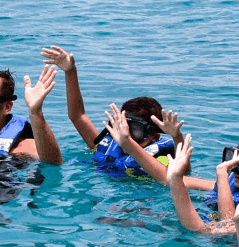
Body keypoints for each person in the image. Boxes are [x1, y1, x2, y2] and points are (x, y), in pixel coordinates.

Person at [40, 45, 187, 179]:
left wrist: (177, 137)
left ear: (154, 136)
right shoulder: (108, 145)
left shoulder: (161, 159)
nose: (126, 135)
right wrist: (70, 71)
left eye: (134, 131)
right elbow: (77, 116)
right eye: (122, 126)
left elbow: (181, 177)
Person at [159, 128, 239, 233]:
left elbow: (227, 225)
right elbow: (170, 179)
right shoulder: (235, 183)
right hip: (195, 225)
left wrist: (222, 173)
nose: (235, 169)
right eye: (234, 159)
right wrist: (175, 174)